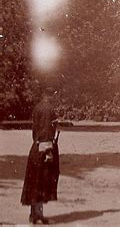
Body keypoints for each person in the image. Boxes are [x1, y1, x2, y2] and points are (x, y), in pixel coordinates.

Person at [21, 92, 60, 224]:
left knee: (35, 182)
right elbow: (46, 131)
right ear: (51, 94)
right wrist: (48, 151)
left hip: (36, 150)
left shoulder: (37, 107)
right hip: (44, 150)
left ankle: (34, 214)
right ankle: (38, 214)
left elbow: (35, 131)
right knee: (42, 182)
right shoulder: (49, 109)